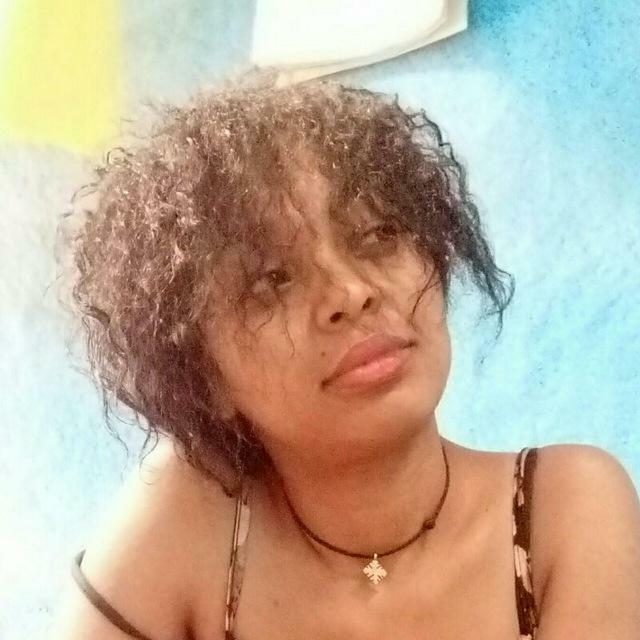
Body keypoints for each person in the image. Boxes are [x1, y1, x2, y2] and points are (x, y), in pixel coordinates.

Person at [52, 78, 640, 640]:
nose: (351, 293)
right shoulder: (194, 519)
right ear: (204, 378)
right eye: (272, 279)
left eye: (378, 236)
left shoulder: (564, 511)